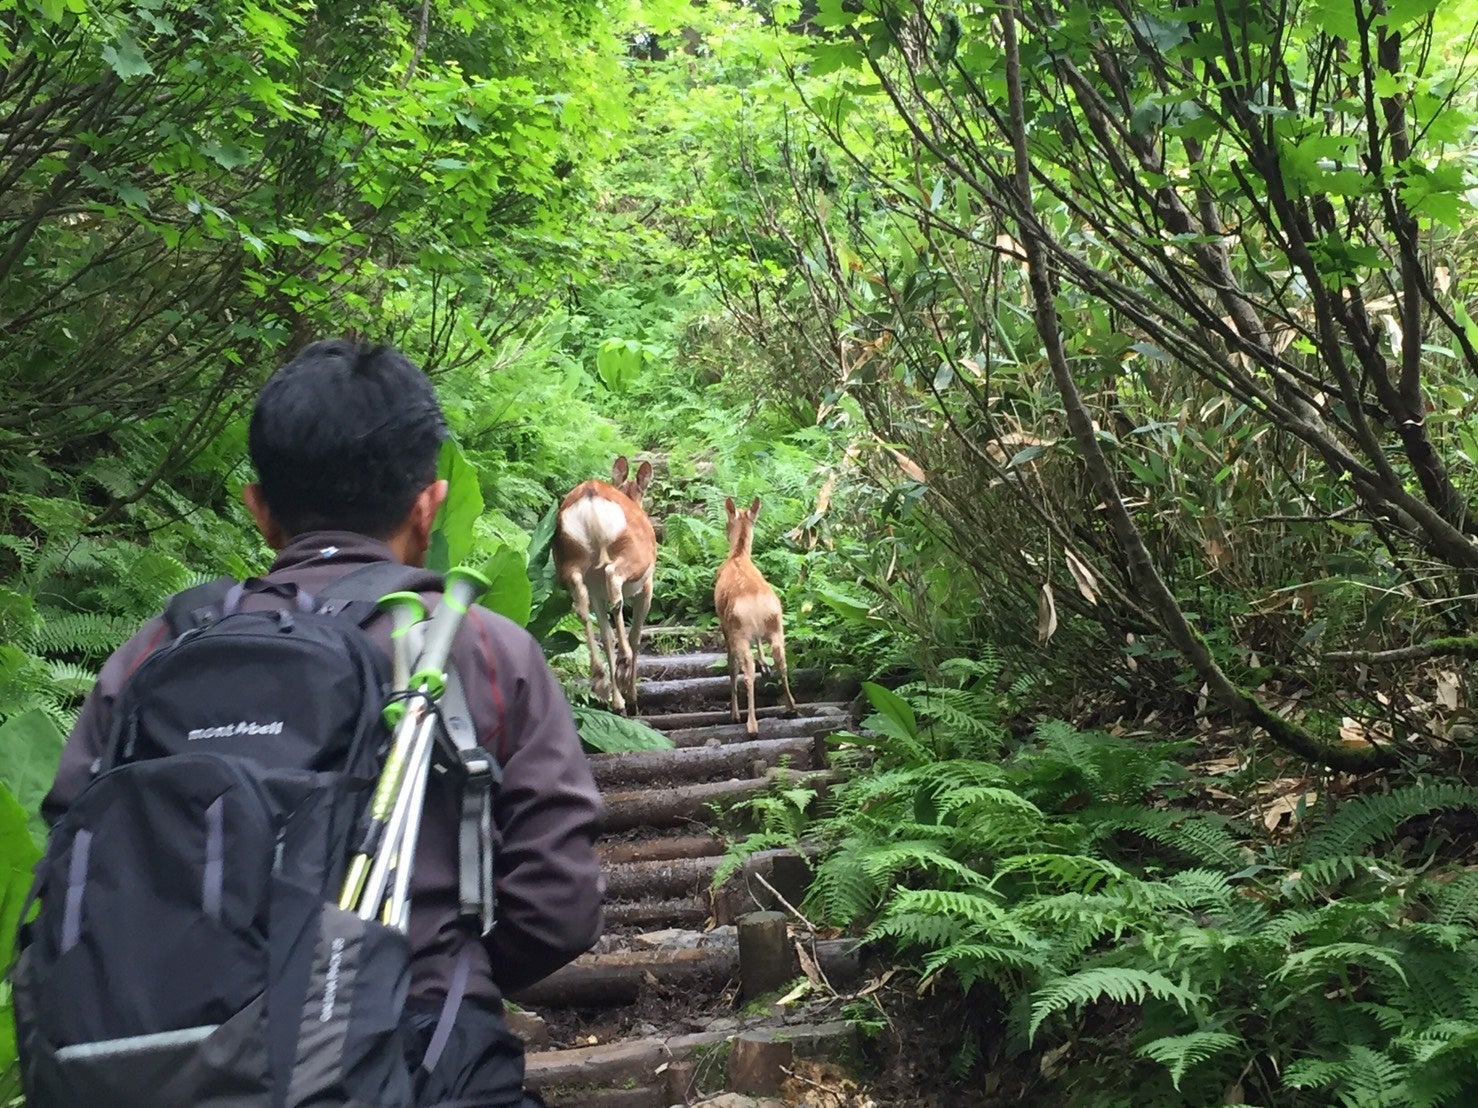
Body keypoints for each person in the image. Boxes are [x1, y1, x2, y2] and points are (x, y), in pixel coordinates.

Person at [41, 338, 605, 1107]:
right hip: (423, 1061)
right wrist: (434, 977)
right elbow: (558, 905)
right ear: (428, 504)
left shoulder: (155, 653)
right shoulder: (479, 647)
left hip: (151, 1068)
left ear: (259, 508)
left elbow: (70, 851)